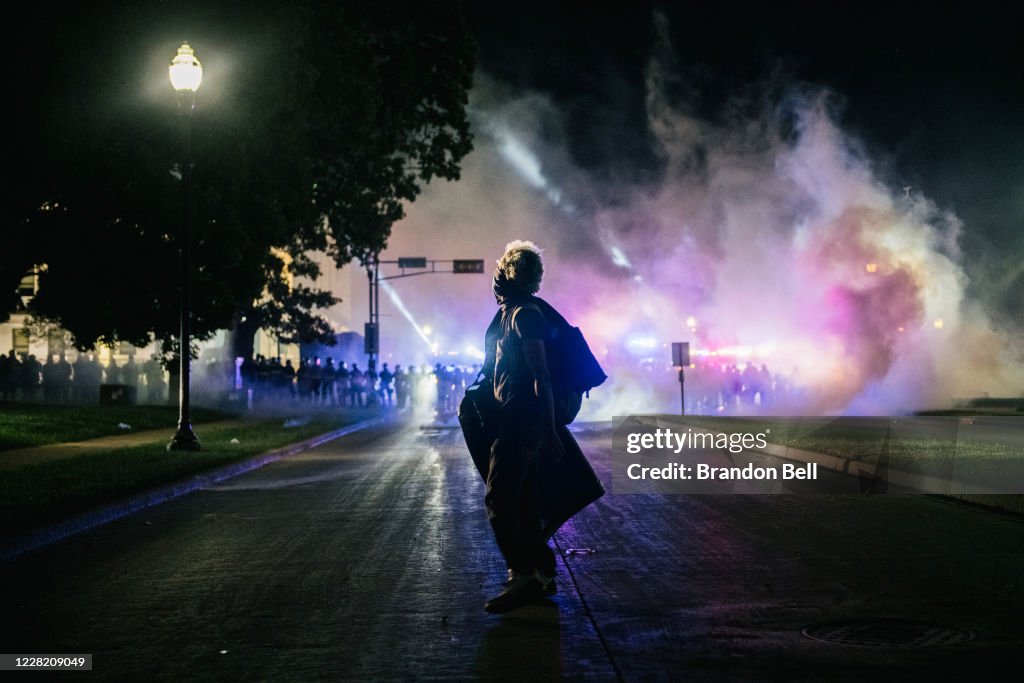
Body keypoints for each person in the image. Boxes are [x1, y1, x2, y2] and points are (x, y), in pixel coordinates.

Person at [481, 240, 564, 613]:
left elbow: (541, 377)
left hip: (521, 420)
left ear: (510, 273)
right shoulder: (513, 312)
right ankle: (540, 572)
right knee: (525, 502)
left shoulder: (524, 316)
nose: (496, 278)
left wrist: (548, 428)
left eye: (502, 271)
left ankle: (524, 574)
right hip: (520, 419)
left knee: (499, 498)